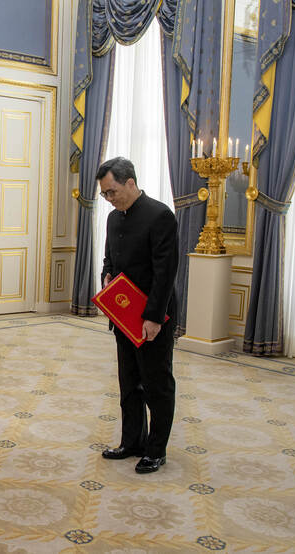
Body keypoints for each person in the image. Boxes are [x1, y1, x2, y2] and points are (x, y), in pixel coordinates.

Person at [97, 157, 179, 474]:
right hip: (123, 315)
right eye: (104, 193)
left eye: (112, 191)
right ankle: (132, 442)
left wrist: (154, 318)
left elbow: (165, 273)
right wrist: (106, 276)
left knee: (157, 384)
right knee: (129, 383)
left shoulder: (160, 215)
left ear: (130, 183)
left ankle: (156, 451)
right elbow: (109, 259)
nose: (109, 199)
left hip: (153, 317)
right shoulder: (113, 218)